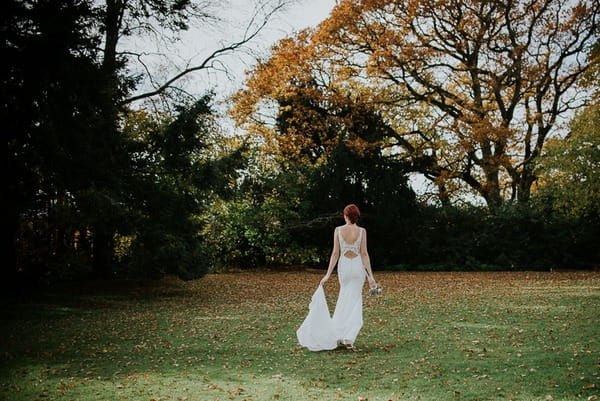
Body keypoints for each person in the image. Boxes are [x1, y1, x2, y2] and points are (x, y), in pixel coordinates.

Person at [296, 204, 378, 351]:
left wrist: (327, 274)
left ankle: (340, 333)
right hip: (358, 267)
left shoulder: (338, 230)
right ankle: (348, 338)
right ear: (356, 216)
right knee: (355, 300)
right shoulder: (362, 231)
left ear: (345, 216)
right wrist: (371, 276)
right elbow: (364, 254)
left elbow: (335, 254)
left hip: (345, 266)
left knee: (344, 298)